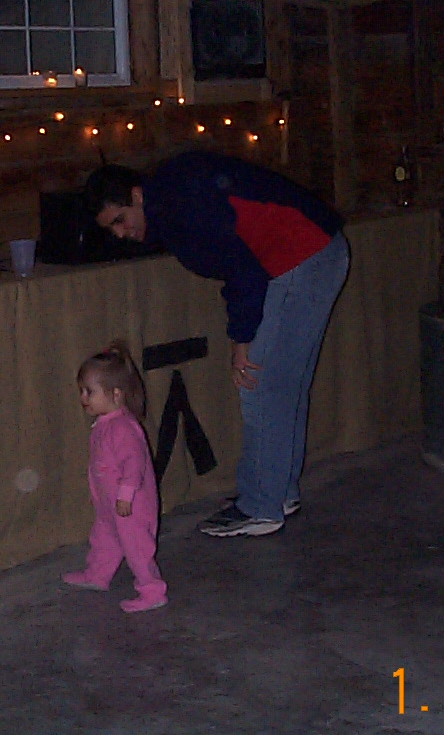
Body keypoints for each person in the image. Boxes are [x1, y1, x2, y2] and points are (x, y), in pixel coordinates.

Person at [85, 151, 350, 538]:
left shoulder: (183, 201)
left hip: (302, 254)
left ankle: (261, 505)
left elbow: (243, 270)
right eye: (112, 229)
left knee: (258, 383)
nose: (121, 233)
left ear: (137, 195)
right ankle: (277, 493)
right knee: (281, 385)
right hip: (314, 251)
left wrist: (242, 339)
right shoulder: (171, 201)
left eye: (120, 220)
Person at [62, 342, 168, 612]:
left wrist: (125, 496)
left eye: (89, 392)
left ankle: (152, 591)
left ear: (116, 394)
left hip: (130, 507)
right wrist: (99, 495)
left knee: (136, 547)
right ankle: (98, 574)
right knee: (104, 538)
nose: (83, 397)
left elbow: (134, 465)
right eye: (81, 391)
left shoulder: (122, 427)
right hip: (110, 504)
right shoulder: (104, 424)